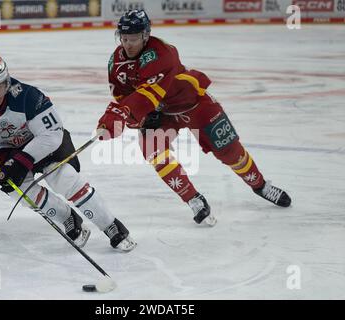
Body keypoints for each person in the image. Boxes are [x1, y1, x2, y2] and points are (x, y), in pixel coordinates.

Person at [97, 10, 291, 226]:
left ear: (145, 35)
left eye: (133, 39)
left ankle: (260, 185)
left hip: (195, 104)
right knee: (152, 150)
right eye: (124, 39)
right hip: (162, 113)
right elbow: (122, 97)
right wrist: (126, 120)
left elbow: (147, 94)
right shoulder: (115, 62)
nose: (128, 44)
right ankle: (193, 199)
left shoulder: (162, 53)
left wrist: (129, 114)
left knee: (229, 151)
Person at [0, 52, 136, 252]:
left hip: (48, 146)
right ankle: (68, 219)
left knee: (65, 178)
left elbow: (51, 134)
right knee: (19, 190)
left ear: (7, 81)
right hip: (8, 151)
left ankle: (110, 225)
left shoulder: (27, 96)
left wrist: (23, 160)